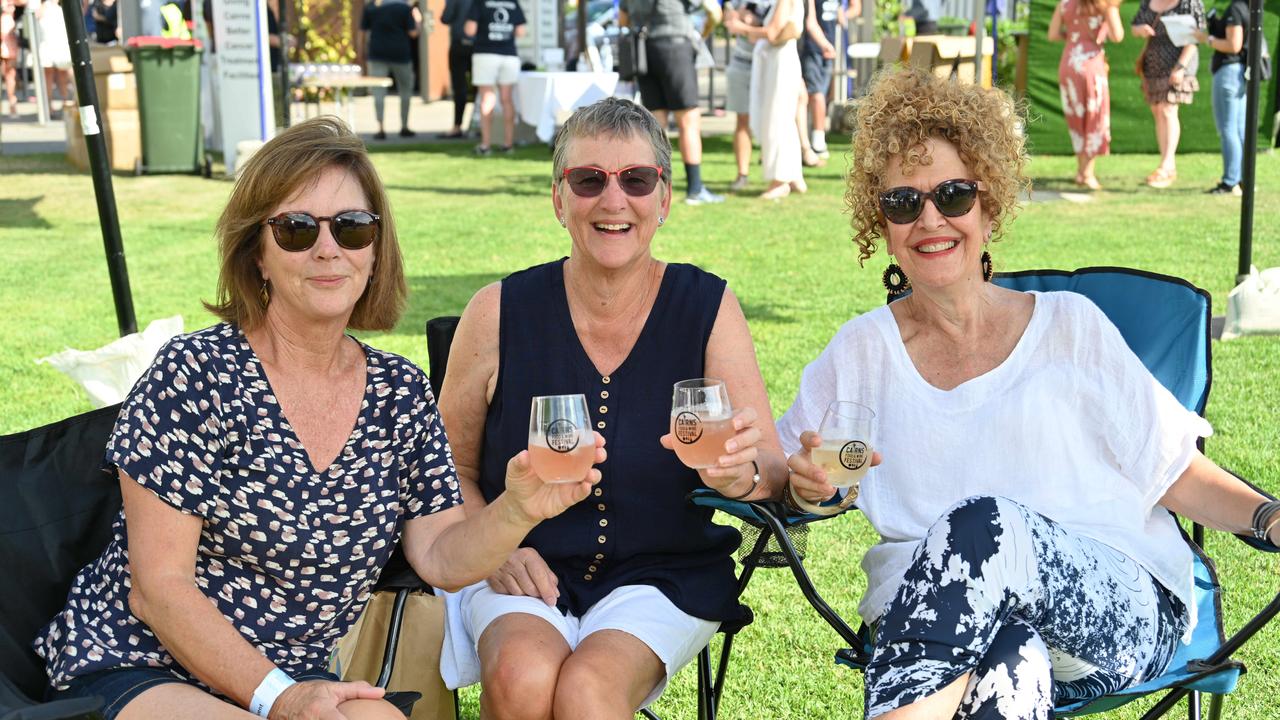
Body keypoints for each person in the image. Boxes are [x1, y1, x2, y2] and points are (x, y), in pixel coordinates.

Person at [34, 116, 602, 720]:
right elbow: (158, 590)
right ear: (257, 252)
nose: (328, 248)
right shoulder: (194, 375)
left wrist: (515, 510)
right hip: (143, 664)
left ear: (374, 249)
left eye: (353, 228)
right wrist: (278, 696)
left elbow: (440, 557)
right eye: (297, 229)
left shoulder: (397, 393)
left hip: (301, 679)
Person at [779, 67, 1280, 719]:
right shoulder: (860, 352)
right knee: (1007, 668)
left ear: (990, 203)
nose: (930, 219)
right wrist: (802, 487)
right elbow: (794, 473)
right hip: (946, 624)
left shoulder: (1070, 325)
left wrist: (1269, 517)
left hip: (1109, 610)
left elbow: (1172, 470)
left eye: (953, 195)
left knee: (988, 521)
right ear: (883, 223)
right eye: (905, 202)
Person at [438, 97, 787, 718]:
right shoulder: (496, 311)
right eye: (588, 179)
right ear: (558, 199)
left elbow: (771, 466)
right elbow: (443, 471)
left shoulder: (707, 307)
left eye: (636, 179)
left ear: (665, 199)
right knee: (522, 677)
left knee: (588, 692)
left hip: (665, 572)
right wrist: (493, 537)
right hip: (525, 561)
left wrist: (746, 474)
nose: (613, 199)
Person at [620, 0, 725, 205]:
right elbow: (713, 11)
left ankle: (652, 188)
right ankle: (695, 188)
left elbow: (623, 18)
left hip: (645, 50)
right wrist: (704, 32)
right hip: (676, 47)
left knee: (655, 124)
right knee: (688, 121)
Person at [1048, 0, 1124, 190]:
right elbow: (1117, 36)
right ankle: (1087, 173)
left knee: (1077, 118)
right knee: (1095, 117)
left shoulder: (1064, 4)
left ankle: (1081, 171)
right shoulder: (1105, 4)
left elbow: (1053, 34)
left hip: (1069, 63)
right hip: (1092, 65)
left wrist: (1074, 37)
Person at [1133, 0, 1205, 189]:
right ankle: (1164, 163)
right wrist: (1141, 30)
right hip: (1153, 67)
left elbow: (1196, 37)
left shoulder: (1190, 3)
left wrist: (1180, 67)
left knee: (1168, 110)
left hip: (1176, 66)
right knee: (1158, 111)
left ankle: (1168, 165)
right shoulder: (1149, 2)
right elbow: (1135, 26)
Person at [750, 0, 807, 199]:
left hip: (780, 63)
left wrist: (742, 29)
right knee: (785, 118)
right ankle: (794, 176)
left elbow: (774, 33)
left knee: (777, 118)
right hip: (781, 61)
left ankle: (779, 180)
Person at [1195, 0, 1248, 196]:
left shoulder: (1235, 8)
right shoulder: (1245, 7)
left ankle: (1230, 181)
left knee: (1228, 129)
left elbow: (1233, 45)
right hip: (1239, 74)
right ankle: (1242, 180)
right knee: (1239, 129)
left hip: (1229, 73)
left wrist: (1206, 39)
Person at [465, 0, 526, 155]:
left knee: (487, 98)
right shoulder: (513, 2)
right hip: (509, 54)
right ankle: (508, 144)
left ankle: (485, 145)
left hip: (485, 53)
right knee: (507, 99)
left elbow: (470, 30)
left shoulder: (480, 2)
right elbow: (520, 31)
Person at [722, 0, 768, 191]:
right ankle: (742, 174)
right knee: (742, 120)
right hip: (741, 64)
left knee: (772, 120)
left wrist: (746, 24)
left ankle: (774, 174)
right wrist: (744, 21)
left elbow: (777, 29)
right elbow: (729, 21)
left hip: (768, 63)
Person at [799, 0, 854, 161]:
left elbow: (846, 10)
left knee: (822, 95)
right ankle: (817, 142)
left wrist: (842, 15)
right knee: (815, 95)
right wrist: (823, 44)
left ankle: (815, 138)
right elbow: (811, 22)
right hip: (812, 48)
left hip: (828, 48)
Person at [362, 0, 422, 140]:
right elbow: (413, 33)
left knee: (378, 93)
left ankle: (380, 128)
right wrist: (418, 21)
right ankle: (404, 126)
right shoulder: (404, 8)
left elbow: (362, 32)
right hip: (400, 55)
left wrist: (361, 51)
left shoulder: (371, 7)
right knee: (405, 91)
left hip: (376, 54)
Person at [441, 0, 475, 139]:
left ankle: (457, 126)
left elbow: (446, 18)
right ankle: (478, 125)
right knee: (481, 88)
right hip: (480, 46)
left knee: (459, 88)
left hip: (459, 46)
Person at [35, 0, 72, 118]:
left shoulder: (62, 7)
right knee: (48, 77)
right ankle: (48, 107)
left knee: (63, 75)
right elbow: (35, 16)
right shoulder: (43, 6)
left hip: (61, 45)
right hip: (47, 45)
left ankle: (66, 103)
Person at [1, 0, 19, 118]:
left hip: (9, 41)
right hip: (6, 35)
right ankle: (12, 105)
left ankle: (12, 104)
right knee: (9, 75)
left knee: (10, 75)